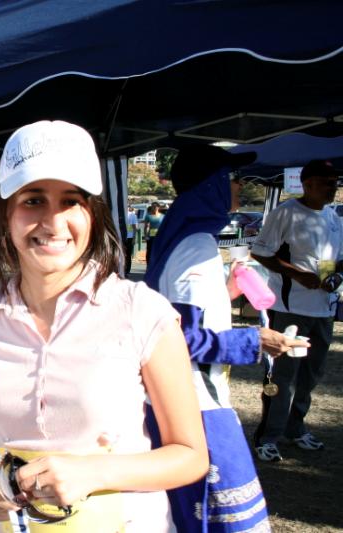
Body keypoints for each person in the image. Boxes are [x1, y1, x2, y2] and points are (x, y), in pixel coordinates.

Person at [0, 120, 208, 532]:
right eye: (33, 200)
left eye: (71, 201)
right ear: (5, 215)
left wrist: (93, 473)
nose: (53, 222)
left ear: (93, 215)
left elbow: (191, 455)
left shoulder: (140, 310)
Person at [144, 144, 305, 532]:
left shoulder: (179, 235)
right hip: (197, 407)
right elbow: (177, 338)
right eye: (232, 178)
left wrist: (226, 291)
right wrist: (255, 341)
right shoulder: (196, 245)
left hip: (179, 402)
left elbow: (175, 311)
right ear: (211, 184)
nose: (239, 186)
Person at [251, 159, 342, 461]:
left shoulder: (332, 215)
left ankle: (295, 427)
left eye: (335, 182)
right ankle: (268, 436)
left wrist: (335, 277)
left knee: (311, 375)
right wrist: (296, 274)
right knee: (282, 376)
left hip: (324, 309)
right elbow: (260, 252)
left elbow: (337, 258)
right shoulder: (286, 212)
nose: (333, 188)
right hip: (291, 308)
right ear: (308, 184)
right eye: (327, 182)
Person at [124, 204, 139, 275]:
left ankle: (127, 270)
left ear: (129, 208)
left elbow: (135, 227)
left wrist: (134, 238)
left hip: (129, 237)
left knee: (128, 254)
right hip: (121, 237)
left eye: (127, 206)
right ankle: (122, 269)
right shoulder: (119, 214)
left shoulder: (132, 215)